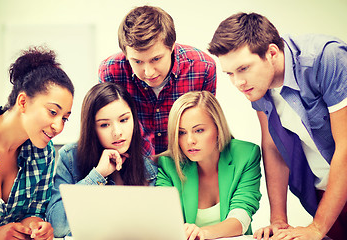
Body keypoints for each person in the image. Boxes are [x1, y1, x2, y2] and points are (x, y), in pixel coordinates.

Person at [208, 12, 347, 240]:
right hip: (325, 196)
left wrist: (317, 227)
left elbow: (346, 147)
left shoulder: (326, 59)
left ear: (272, 52)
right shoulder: (258, 86)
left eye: (243, 68)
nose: (238, 83)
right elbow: (272, 146)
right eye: (230, 73)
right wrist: (278, 221)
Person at [98, 5, 216, 157]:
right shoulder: (110, 71)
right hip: (134, 166)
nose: (148, 72)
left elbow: (206, 127)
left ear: (172, 46)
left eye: (156, 59)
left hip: (184, 164)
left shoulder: (203, 68)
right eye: (138, 62)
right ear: (126, 54)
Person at [46, 82, 157, 237]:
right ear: (92, 127)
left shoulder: (148, 168)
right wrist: (97, 175)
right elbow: (57, 226)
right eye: (104, 125)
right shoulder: (70, 157)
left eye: (124, 120)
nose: (117, 132)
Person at [0, 46, 74, 240]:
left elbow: (32, 212)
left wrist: (36, 227)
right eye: (53, 112)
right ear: (23, 102)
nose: (58, 127)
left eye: (65, 118)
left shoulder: (44, 154)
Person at [155, 91, 261, 240]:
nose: (190, 140)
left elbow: (241, 218)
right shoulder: (168, 165)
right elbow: (165, 221)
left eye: (199, 130)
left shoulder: (246, 155)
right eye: (181, 133)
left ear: (218, 128)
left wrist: (202, 233)